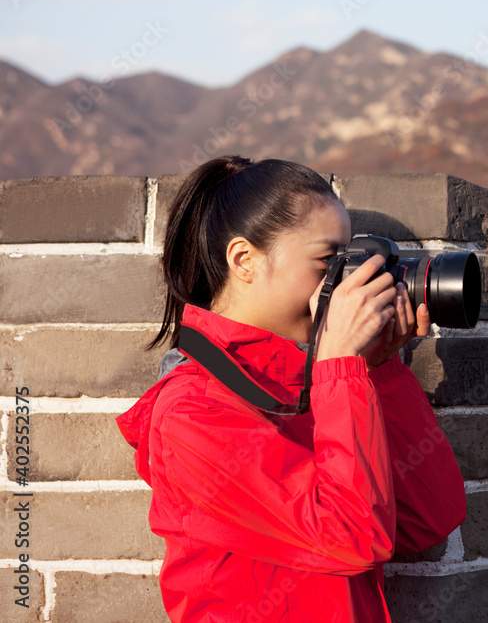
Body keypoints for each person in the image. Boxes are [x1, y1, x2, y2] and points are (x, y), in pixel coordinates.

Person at [116, 155, 467, 621]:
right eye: (328, 262)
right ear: (244, 260)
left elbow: (428, 519)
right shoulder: (192, 412)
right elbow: (353, 537)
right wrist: (341, 366)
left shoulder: (315, 384)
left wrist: (380, 370)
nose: (344, 285)